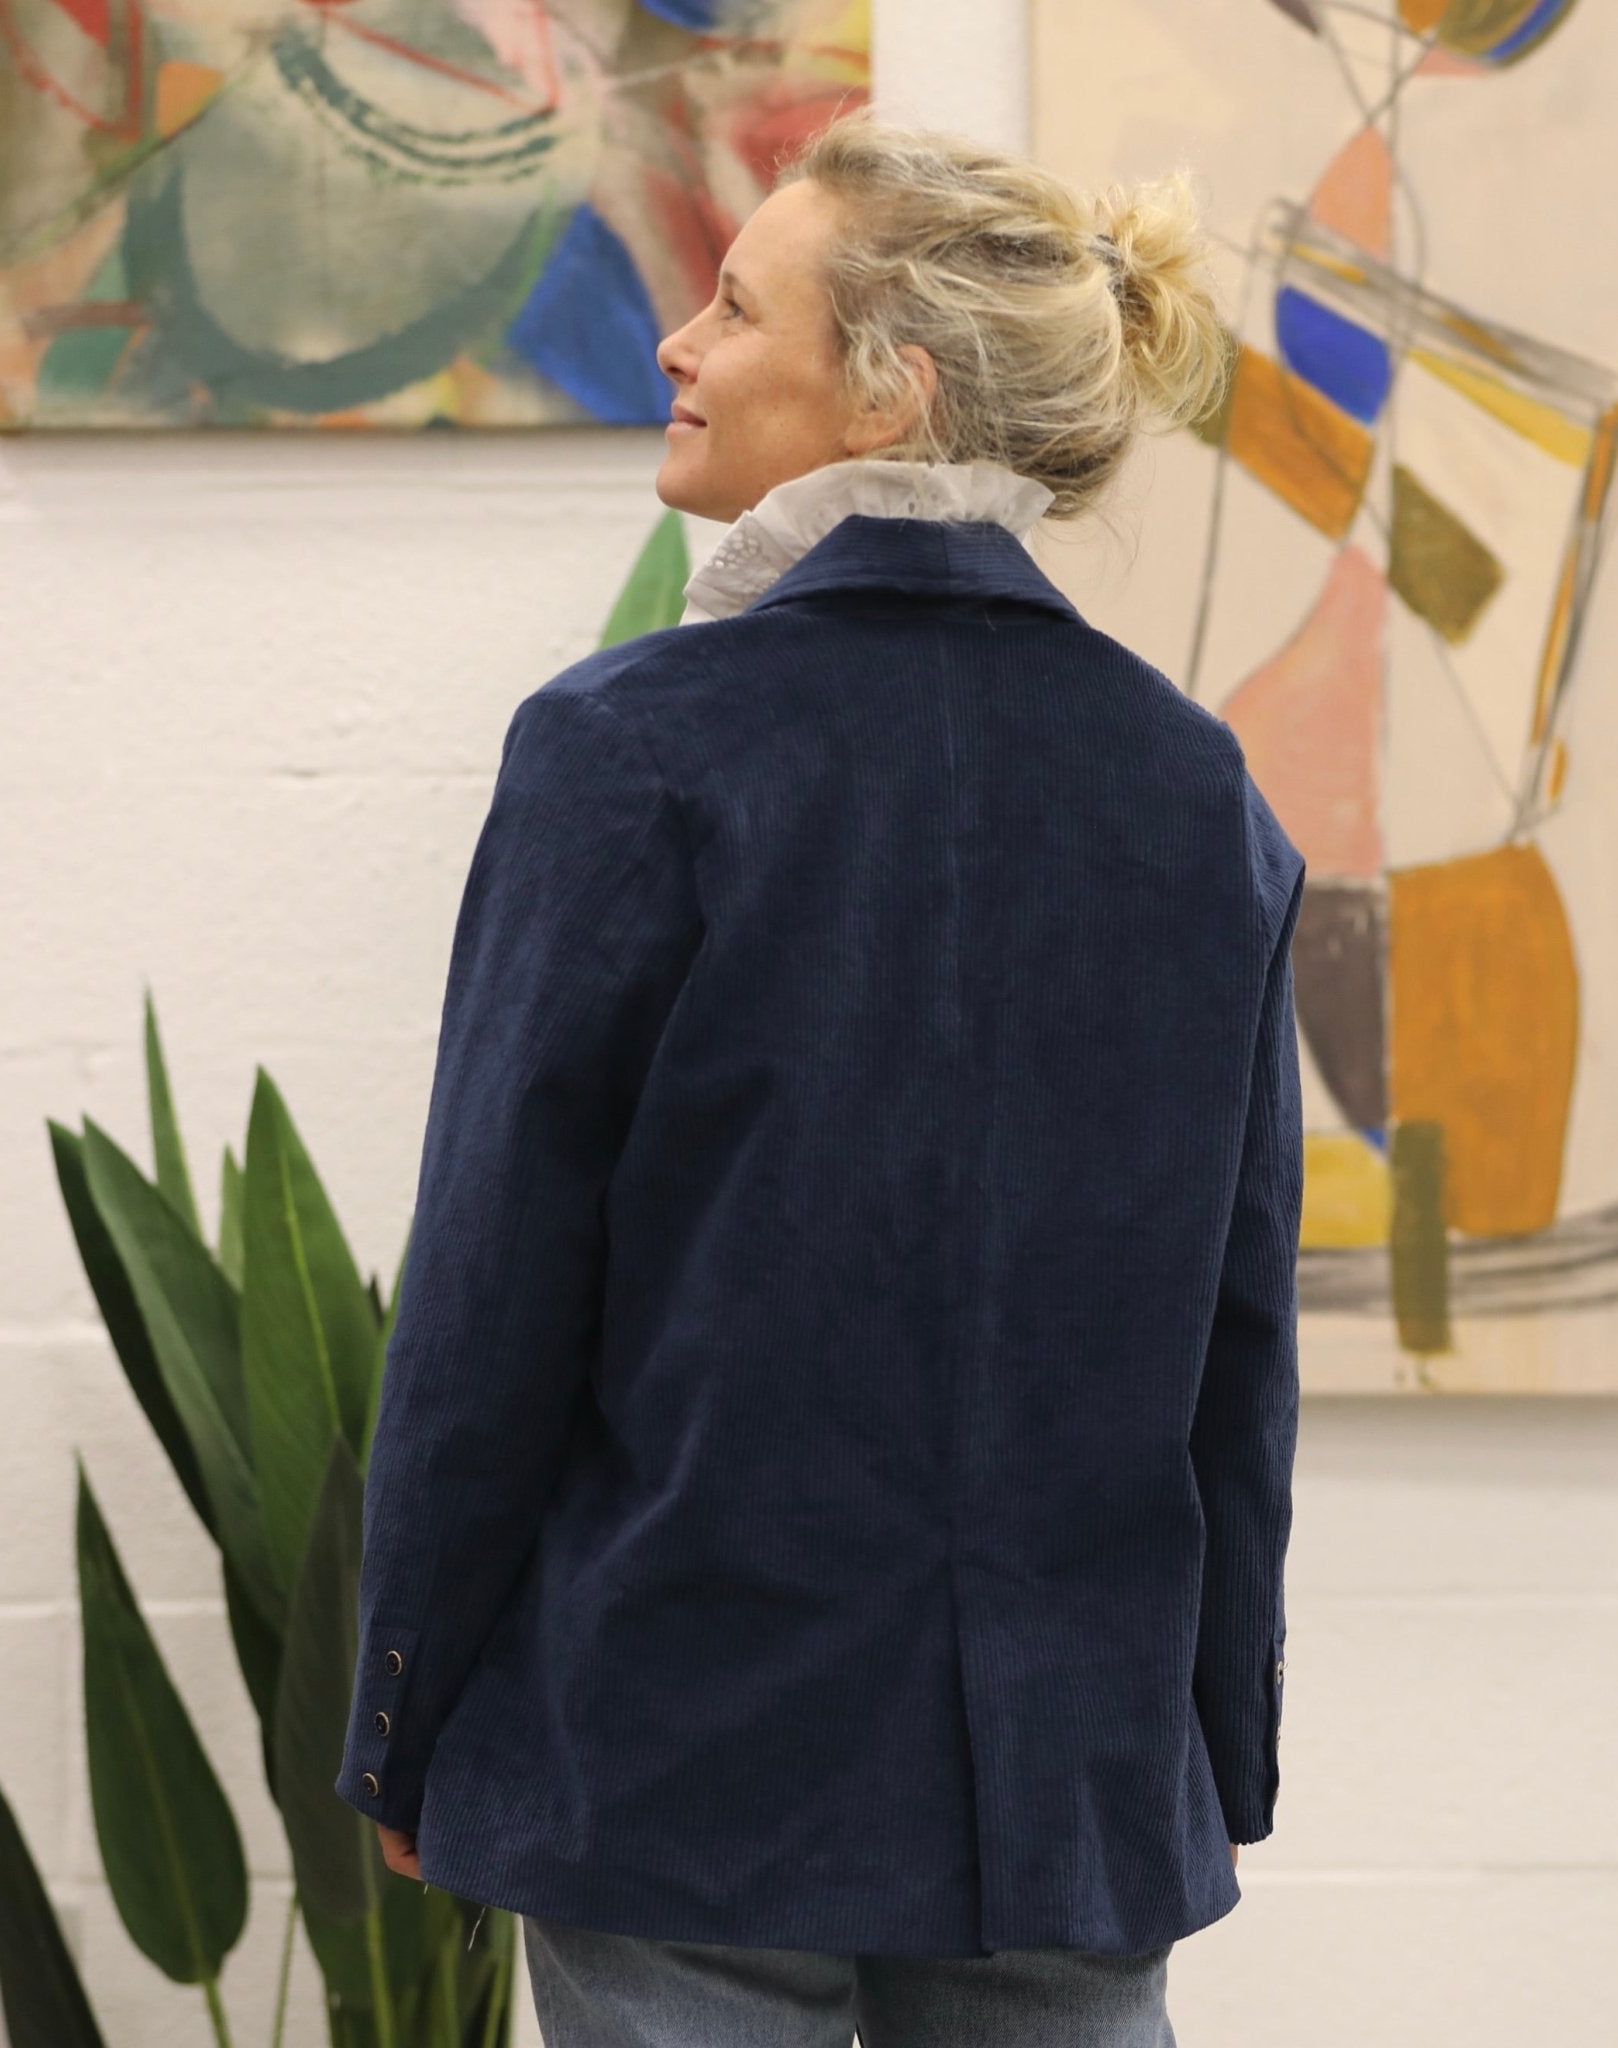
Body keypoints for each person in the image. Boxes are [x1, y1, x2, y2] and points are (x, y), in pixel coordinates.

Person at [334, 107, 1304, 2048]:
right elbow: (1234, 1338)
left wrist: (405, 1714)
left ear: (890, 389)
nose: (676, 343)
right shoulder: (1196, 790)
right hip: (1064, 1776)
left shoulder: (627, 752)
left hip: (670, 1756)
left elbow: (493, 1294)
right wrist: (1214, 1743)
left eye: (732, 305)